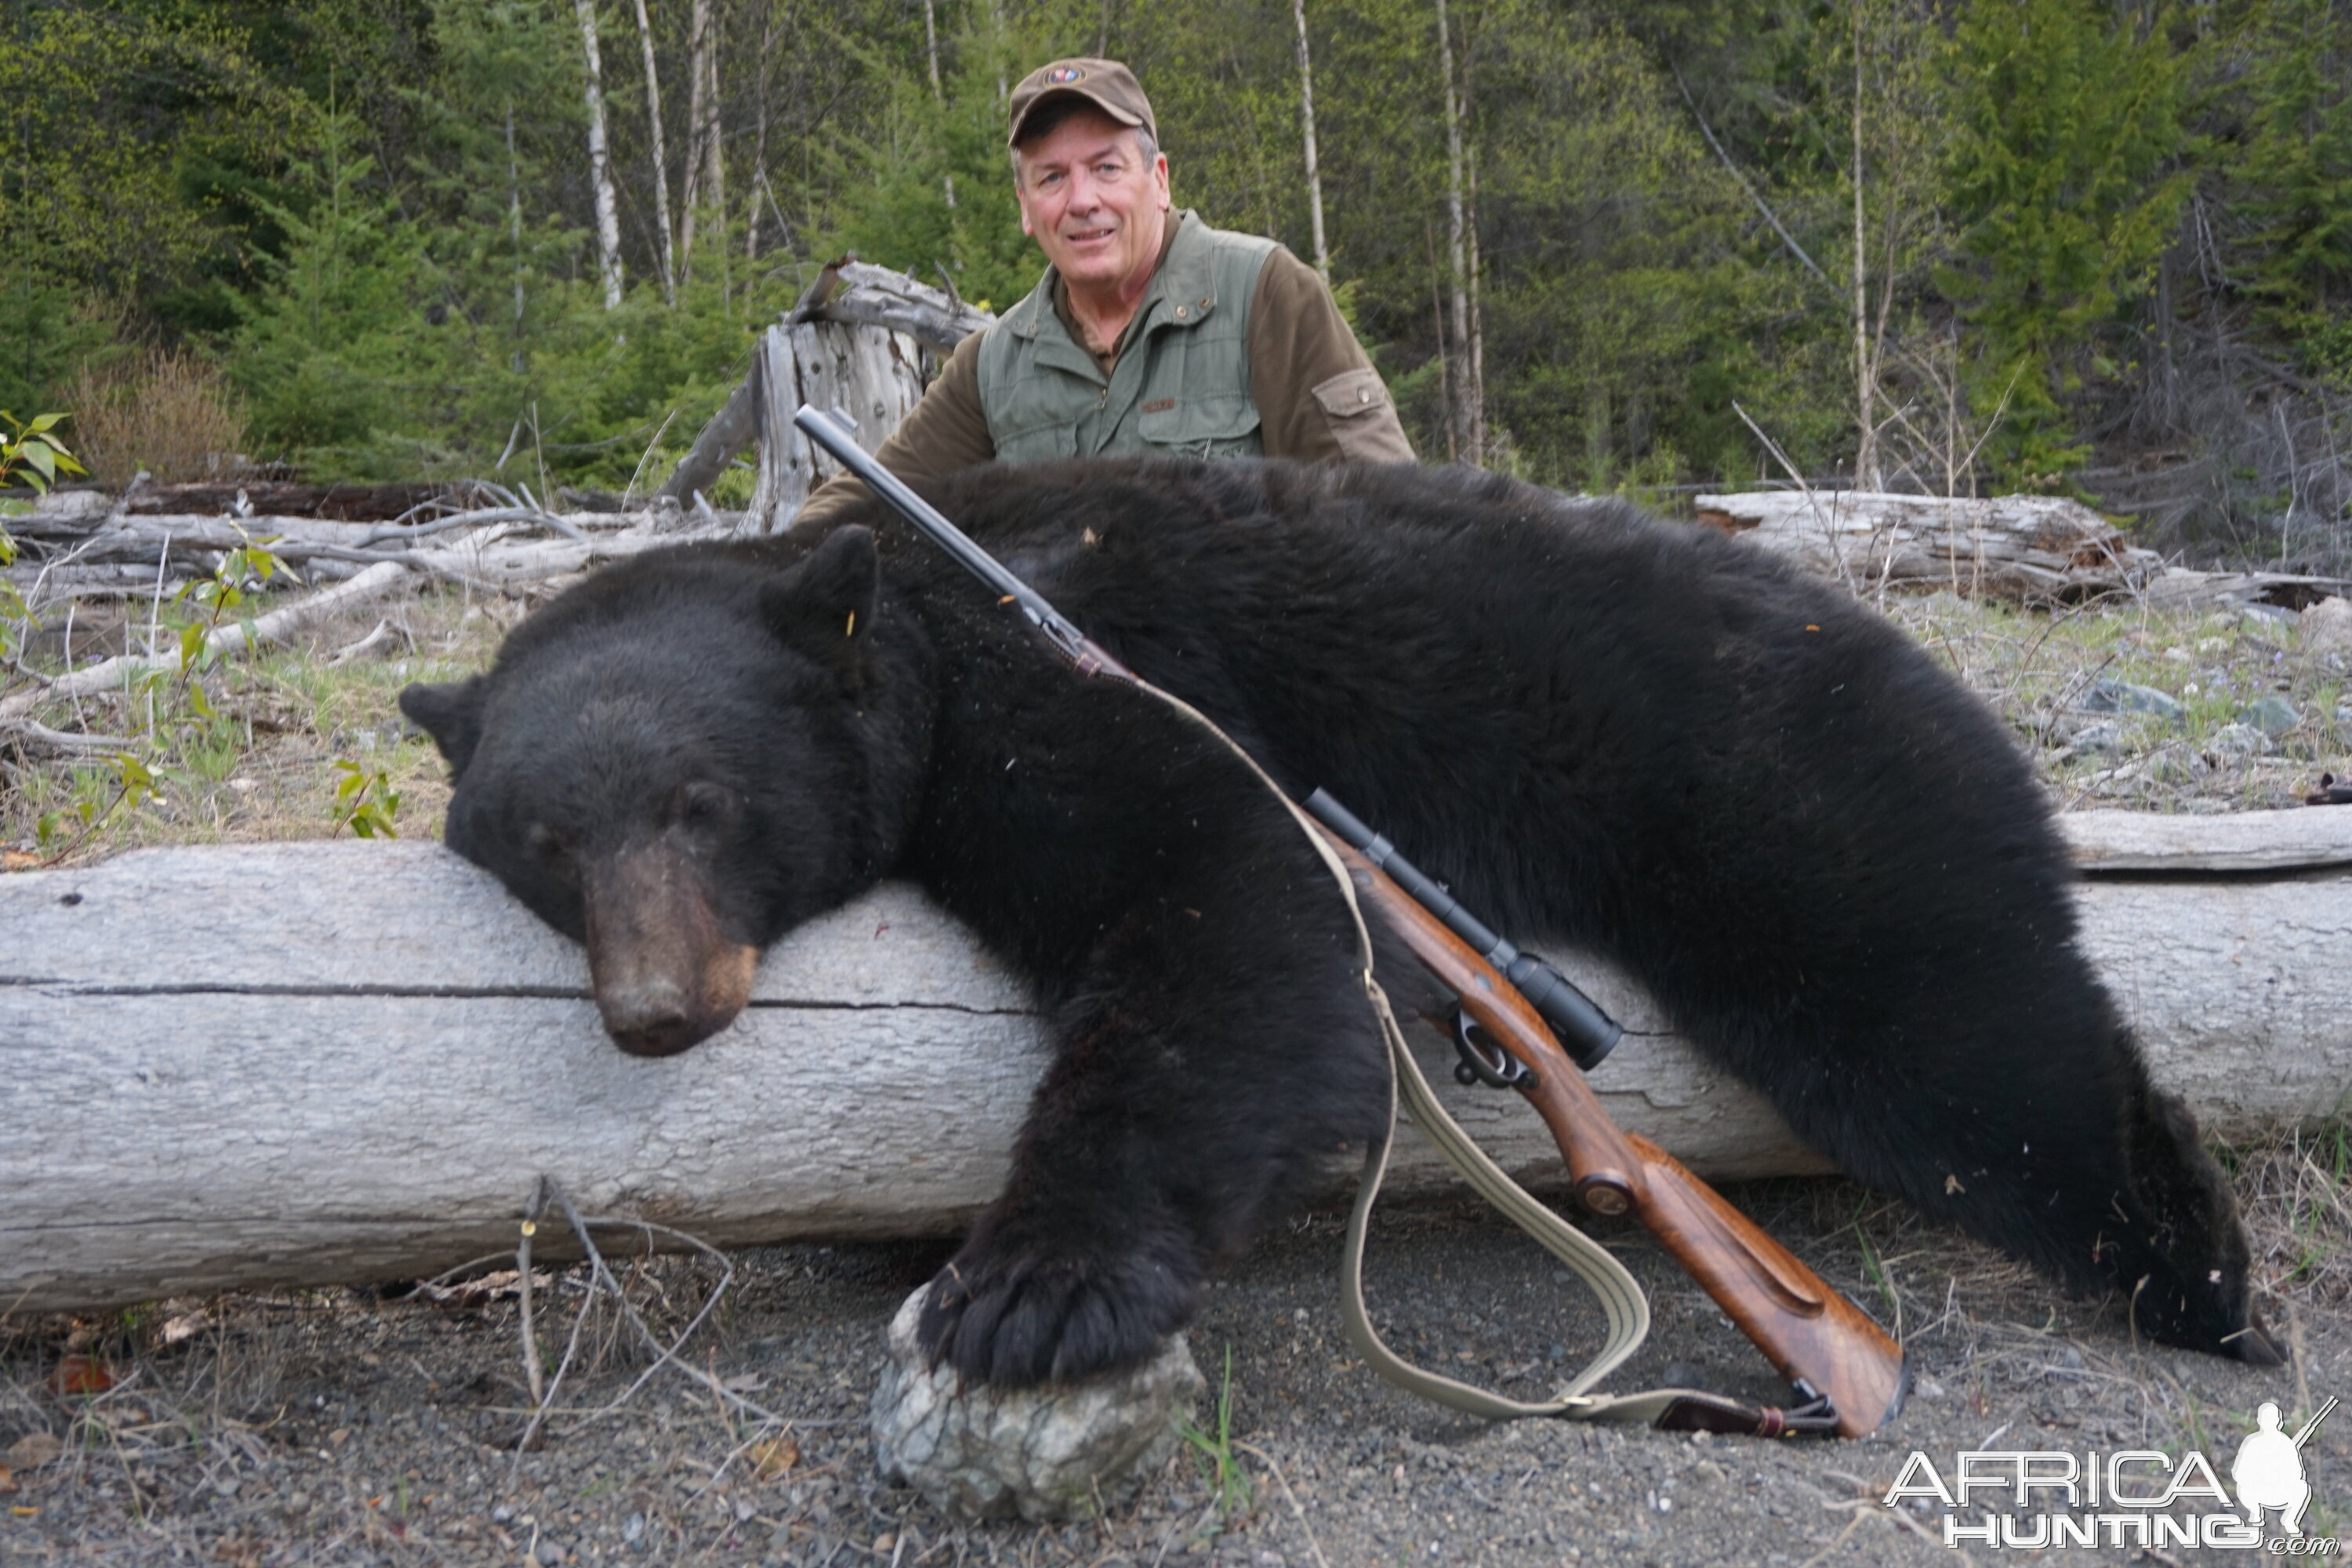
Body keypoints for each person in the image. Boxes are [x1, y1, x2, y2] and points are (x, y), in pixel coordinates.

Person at [793, 56, 1412, 528]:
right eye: (1053, 178)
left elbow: (1397, 514)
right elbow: (857, 505)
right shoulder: (992, 367)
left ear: (1159, 180)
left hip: (1244, 679)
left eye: (1106, 168)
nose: (1082, 201)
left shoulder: (1269, 297)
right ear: (1027, 209)